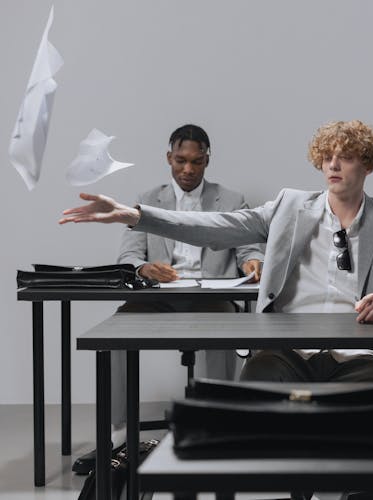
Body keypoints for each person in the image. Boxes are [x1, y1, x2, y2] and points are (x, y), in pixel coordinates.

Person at [60, 120, 373, 384]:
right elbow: (215, 226)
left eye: (345, 158)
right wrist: (136, 215)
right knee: (253, 393)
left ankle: (359, 483)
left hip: (357, 354)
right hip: (286, 352)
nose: (333, 166)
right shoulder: (289, 208)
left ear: (368, 165)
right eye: (327, 157)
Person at [72, 124, 263, 475]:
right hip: (160, 295)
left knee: (225, 327)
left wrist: (254, 261)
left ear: (208, 160)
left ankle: (215, 426)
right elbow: (127, 257)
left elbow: (248, 244)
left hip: (210, 294)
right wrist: (144, 269)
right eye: (180, 161)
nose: (188, 170)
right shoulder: (146, 201)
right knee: (116, 329)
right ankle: (119, 433)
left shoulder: (232, 200)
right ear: (168, 158)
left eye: (196, 162)